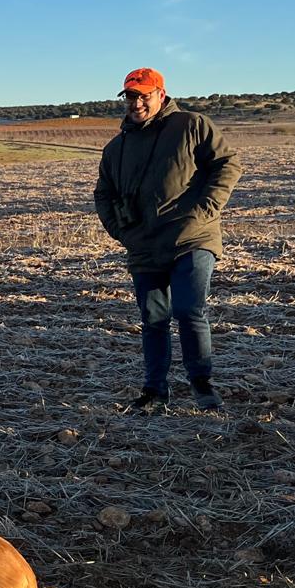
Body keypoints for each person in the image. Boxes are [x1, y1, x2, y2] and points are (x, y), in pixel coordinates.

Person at [93, 67, 240, 412]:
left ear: (161, 94)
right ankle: (154, 391)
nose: (137, 102)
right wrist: (122, 231)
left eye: (144, 95)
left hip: (192, 236)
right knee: (153, 319)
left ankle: (202, 384)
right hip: (144, 245)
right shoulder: (116, 148)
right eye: (131, 96)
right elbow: (103, 194)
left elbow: (227, 164)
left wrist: (206, 208)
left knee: (189, 309)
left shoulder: (191, 125)